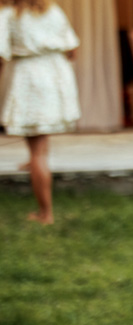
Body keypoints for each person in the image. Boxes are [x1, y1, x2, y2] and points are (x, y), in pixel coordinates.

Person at [0, 0, 80, 225]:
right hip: (55, 73)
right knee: (40, 135)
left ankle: (45, 213)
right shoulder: (52, 10)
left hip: (29, 77)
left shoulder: (9, 14)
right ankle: (33, 162)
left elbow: (0, 52)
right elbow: (71, 49)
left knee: (38, 149)